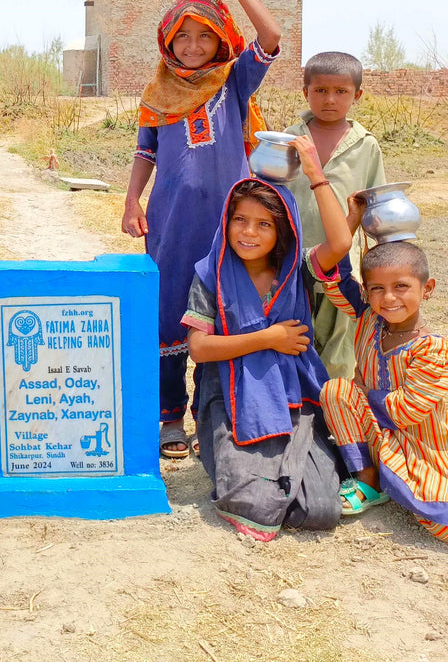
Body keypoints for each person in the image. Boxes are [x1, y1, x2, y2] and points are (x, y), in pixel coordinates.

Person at [122, 0, 282, 459]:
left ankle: (213, 410)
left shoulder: (233, 82)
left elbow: (273, 38)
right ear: (168, 40)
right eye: (183, 35)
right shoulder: (157, 93)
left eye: (204, 35)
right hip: (169, 225)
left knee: (227, 314)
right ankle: (169, 416)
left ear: (221, 40)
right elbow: (145, 152)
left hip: (229, 228)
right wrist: (130, 202)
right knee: (169, 312)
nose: (193, 46)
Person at [184, 134, 352, 541]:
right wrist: (268, 337)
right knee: (252, 500)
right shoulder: (211, 274)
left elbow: (341, 242)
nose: (249, 232)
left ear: (285, 231)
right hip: (229, 395)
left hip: (293, 394)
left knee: (322, 508)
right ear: (226, 221)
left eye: (264, 225)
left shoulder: (296, 272)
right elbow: (200, 348)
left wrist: (315, 173)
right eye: (240, 220)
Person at [319, 240, 448, 540]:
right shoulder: (369, 319)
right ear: (366, 291)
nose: (388, 298)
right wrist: (351, 219)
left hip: (419, 447)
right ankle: (368, 480)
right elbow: (333, 277)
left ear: (427, 288)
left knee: (439, 523)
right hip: (374, 431)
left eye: (401, 286)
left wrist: (363, 392)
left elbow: (405, 412)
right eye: (376, 288)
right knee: (336, 390)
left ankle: (395, 478)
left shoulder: (433, 349)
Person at [284, 51, 385, 380]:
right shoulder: (288, 139)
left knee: (340, 340)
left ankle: (332, 416)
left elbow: (376, 206)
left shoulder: (366, 145)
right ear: (305, 92)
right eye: (321, 90)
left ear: (357, 95)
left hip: (342, 264)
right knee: (295, 335)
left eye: (341, 92)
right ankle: (298, 412)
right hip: (292, 259)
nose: (330, 100)